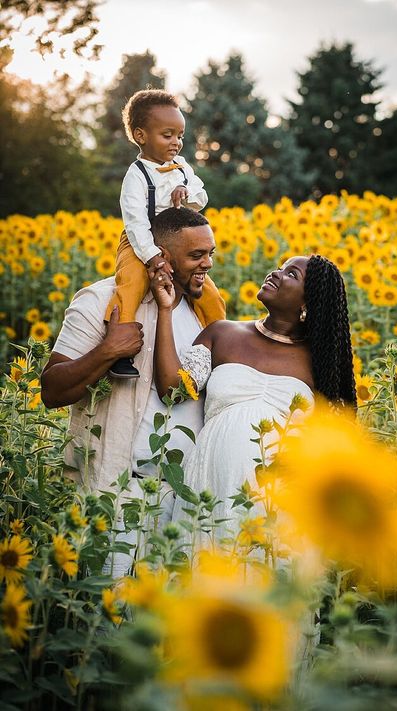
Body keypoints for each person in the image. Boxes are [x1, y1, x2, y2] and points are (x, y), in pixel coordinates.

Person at [41, 208, 224, 574]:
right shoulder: (102, 300)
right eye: (196, 255)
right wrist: (108, 350)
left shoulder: (203, 312)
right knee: (112, 614)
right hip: (119, 491)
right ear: (162, 256)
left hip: (186, 493)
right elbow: (51, 390)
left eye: (210, 253)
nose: (207, 265)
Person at [154, 254, 356, 543]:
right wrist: (164, 310)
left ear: (306, 304)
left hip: (281, 501)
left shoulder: (321, 364)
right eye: (281, 267)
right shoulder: (223, 333)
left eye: (291, 274)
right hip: (210, 483)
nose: (275, 273)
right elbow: (172, 390)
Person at [106, 88, 223, 378]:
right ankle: (118, 350)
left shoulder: (182, 167)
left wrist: (188, 192)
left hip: (178, 242)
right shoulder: (136, 175)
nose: (176, 143)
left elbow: (201, 196)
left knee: (208, 293)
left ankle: (222, 346)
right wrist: (153, 257)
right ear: (141, 135)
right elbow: (135, 223)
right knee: (131, 284)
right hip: (140, 242)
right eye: (167, 135)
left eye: (180, 135)